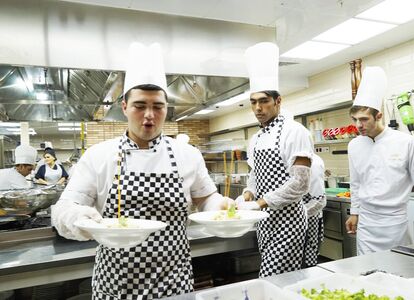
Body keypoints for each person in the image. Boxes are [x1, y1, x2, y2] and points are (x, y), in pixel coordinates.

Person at [51, 42, 232, 299]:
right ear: (124, 107)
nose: (149, 115)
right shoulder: (99, 155)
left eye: (158, 106)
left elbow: (205, 199)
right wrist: (79, 217)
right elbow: (63, 209)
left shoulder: (188, 155)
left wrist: (220, 206)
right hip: (115, 281)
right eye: (140, 105)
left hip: (174, 278)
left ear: (166, 109)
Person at [236, 42, 314, 277]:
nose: (258, 108)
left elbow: (300, 183)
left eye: (264, 101)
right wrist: (249, 193)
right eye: (253, 102)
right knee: (278, 279)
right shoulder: (257, 137)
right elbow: (255, 174)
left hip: (288, 221)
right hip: (264, 221)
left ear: (278, 101)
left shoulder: (295, 131)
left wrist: (260, 203)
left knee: (271, 278)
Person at [345, 66, 414, 255]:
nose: (358, 125)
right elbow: (355, 183)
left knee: (397, 271)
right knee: (366, 271)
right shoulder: (354, 145)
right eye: (355, 119)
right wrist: (355, 213)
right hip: (366, 224)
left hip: (395, 222)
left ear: (379, 116)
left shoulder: (406, 142)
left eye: (363, 119)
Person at [302, 153, 326, 267]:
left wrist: (298, 214)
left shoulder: (314, 162)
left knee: (308, 259)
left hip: (310, 218)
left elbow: (319, 200)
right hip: (297, 219)